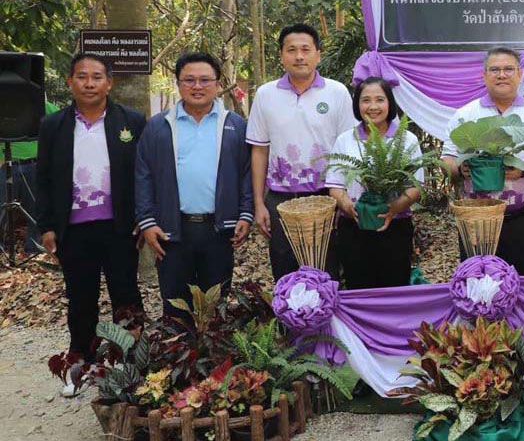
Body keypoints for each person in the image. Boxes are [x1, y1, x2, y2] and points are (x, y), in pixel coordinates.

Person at [36, 53, 146, 395]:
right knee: (81, 299)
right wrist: (47, 226)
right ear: (70, 82)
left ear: (109, 83)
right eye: (81, 76)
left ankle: (134, 363)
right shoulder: (53, 125)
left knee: (126, 296)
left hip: (119, 228)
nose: (89, 83)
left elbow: (143, 175)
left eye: (96, 77)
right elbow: (44, 179)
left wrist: (144, 219)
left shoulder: (131, 121)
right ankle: (79, 363)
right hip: (74, 230)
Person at [134, 53, 253, 321]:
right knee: (175, 308)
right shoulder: (158, 127)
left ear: (218, 83)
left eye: (204, 80)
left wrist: (246, 213)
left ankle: (212, 362)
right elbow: (143, 176)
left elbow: (247, 173)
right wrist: (147, 221)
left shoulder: (235, 126)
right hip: (172, 232)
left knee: (215, 305)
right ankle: (175, 360)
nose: (197, 86)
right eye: (189, 80)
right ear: (178, 83)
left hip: (219, 230)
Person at [246, 24, 354, 280]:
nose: (299, 56)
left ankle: (327, 320)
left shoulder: (337, 92)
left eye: (306, 49)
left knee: (327, 270)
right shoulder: (265, 94)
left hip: (326, 196)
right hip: (281, 200)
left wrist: (344, 199)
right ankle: (289, 321)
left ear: (318, 54)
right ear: (282, 56)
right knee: (285, 271)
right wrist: (260, 203)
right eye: (291, 50)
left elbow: (349, 149)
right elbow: (259, 151)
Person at [442, 47, 524, 276]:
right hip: (477, 219)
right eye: (495, 69)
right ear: (484, 75)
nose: (502, 75)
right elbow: (447, 159)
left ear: (520, 74)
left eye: (508, 69)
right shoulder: (465, 114)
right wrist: (460, 168)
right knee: (477, 285)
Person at [326, 77, 422, 289]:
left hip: (396, 227)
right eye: (366, 100)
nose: (373, 106)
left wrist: (392, 209)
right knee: (358, 288)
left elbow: (415, 188)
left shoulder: (406, 140)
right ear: (357, 105)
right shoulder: (345, 140)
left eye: (380, 99)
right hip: (353, 227)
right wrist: (348, 207)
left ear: (390, 103)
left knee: (395, 289)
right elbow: (335, 185)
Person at [0, 99, 60, 254]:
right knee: (1, 208)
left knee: (37, 209)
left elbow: (62, 126)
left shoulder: (44, 106)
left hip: (36, 164)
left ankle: (34, 249)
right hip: (5, 164)